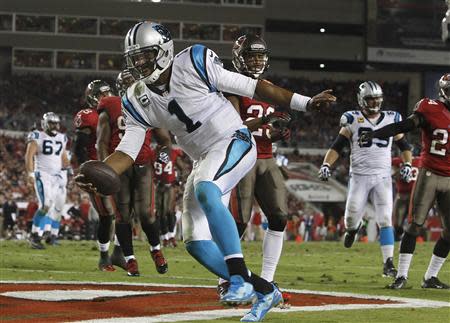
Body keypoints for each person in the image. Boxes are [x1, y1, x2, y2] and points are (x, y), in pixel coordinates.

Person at [75, 21, 335, 322]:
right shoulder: (136, 97)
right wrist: (101, 173)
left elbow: (253, 86)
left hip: (234, 139)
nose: (141, 64)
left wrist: (305, 102)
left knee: (206, 189)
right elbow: (127, 151)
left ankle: (237, 280)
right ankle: (265, 291)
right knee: (195, 242)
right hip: (204, 158)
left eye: (146, 56)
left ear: (163, 50)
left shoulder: (193, 62)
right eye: (136, 58)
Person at [360, 73, 450, 289]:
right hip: (429, 174)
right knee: (415, 225)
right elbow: (405, 126)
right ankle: (401, 275)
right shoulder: (430, 108)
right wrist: (376, 134)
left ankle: (430, 277)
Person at [319, 81, 412, 278]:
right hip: (359, 177)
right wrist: (326, 164)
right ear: (362, 100)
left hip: (383, 176)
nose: (375, 103)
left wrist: (408, 164)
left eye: (377, 99)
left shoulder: (391, 118)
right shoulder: (352, 119)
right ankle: (354, 229)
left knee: (386, 219)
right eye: (370, 99)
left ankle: (388, 262)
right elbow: (337, 147)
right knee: (351, 219)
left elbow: (404, 146)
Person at [226, 35, 291, 290]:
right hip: (243, 157)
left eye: (259, 56)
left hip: (266, 156)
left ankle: (267, 278)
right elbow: (234, 126)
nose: (256, 61)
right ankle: (226, 278)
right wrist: (265, 121)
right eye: (250, 56)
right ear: (240, 58)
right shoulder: (232, 86)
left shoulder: (268, 86)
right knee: (239, 221)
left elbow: (268, 126)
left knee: (279, 216)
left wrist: (278, 131)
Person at [96, 70, 170, 276]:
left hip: (142, 164)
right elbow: (102, 142)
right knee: (122, 216)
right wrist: (106, 169)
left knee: (146, 213)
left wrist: (161, 156)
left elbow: (165, 140)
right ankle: (130, 260)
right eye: (126, 84)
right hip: (120, 167)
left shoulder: (148, 103)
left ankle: (156, 251)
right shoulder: (110, 105)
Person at [73, 80, 121, 271]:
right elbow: (79, 147)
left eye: (109, 93)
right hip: (98, 171)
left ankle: (118, 254)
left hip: (117, 165)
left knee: (124, 214)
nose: (107, 97)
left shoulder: (116, 113)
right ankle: (103, 257)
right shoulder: (88, 116)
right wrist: (87, 170)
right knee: (107, 214)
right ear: (93, 97)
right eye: (103, 94)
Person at [25, 112, 70, 249]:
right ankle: (34, 236)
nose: (54, 126)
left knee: (53, 207)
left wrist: (69, 169)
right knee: (45, 205)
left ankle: (42, 234)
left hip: (57, 177)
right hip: (43, 175)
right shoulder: (37, 135)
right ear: (44, 123)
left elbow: (63, 157)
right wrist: (31, 175)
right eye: (51, 123)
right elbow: (29, 156)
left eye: (56, 123)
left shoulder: (62, 138)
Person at [152, 146, 187, 247]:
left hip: (169, 186)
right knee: (160, 213)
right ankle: (165, 237)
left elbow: (183, 169)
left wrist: (179, 181)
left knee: (169, 211)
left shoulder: (172, 153)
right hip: (158, 186)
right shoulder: (153, 153)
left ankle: (171, 236)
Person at [391, 153, 421, 240]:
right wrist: (401, 170)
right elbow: (393, 175)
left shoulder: (419, 160)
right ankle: (399, 238)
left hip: (415, 196)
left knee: (416, 222)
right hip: (402, 195)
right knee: (397, 224)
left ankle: (415, 240)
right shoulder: (397, 161)